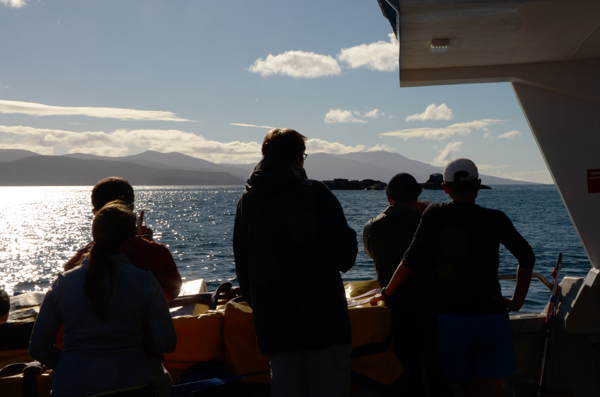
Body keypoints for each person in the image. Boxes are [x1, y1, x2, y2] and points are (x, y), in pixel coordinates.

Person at [371, 158, 535, 397]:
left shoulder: (435, 214)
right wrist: (516, 301)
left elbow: (410, 260)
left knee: (466, 387)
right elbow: (527, 257)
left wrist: (386, 292)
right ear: (478, 184)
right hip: (490, 316)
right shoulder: (495, 218)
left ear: (445, 188)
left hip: (452, 319)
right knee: (491, 388)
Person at [233, 128, 358, 397]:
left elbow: (243, 269)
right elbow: (344, 257)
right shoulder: (315, 193)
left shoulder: (246, 201)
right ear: (298, 159)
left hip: (275, 330)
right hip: (324, 327)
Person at [29, 201, 177, 396]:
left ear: (94, 236)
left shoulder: (63, 283)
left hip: (71, 387)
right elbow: (166, 343)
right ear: (128, 242)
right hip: (134, 385)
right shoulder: (144, 282)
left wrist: (69, 364)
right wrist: (136, 343)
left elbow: (38, 347)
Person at [363, 173, 449, 396]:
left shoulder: (371, 227)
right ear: (416, 197)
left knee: (408, 369)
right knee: (437, 367)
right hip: (432, 306)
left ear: (389, 198)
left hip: (395, 307)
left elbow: (372, 255)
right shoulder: (426, 225)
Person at [64, 176, 182, 301]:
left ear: (95, 214)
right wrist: (146, 241)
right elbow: (172, 294)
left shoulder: (76, 264)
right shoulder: (157, 253)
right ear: (131, 209)